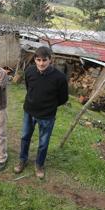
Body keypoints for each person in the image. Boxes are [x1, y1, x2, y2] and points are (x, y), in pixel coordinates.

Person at [16, 46, 68, 179]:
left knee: (43, 143)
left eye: (44, 60)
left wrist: (49, 106)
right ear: (35, 59)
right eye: (38, 60)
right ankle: (22, 160)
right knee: (25, 137)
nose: (41, 63)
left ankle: (39, 164)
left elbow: (63, 98)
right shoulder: (30, 71)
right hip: (29, 111)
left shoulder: (60, 77)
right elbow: (29, 88)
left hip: (47, 116)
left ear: (50, 60)